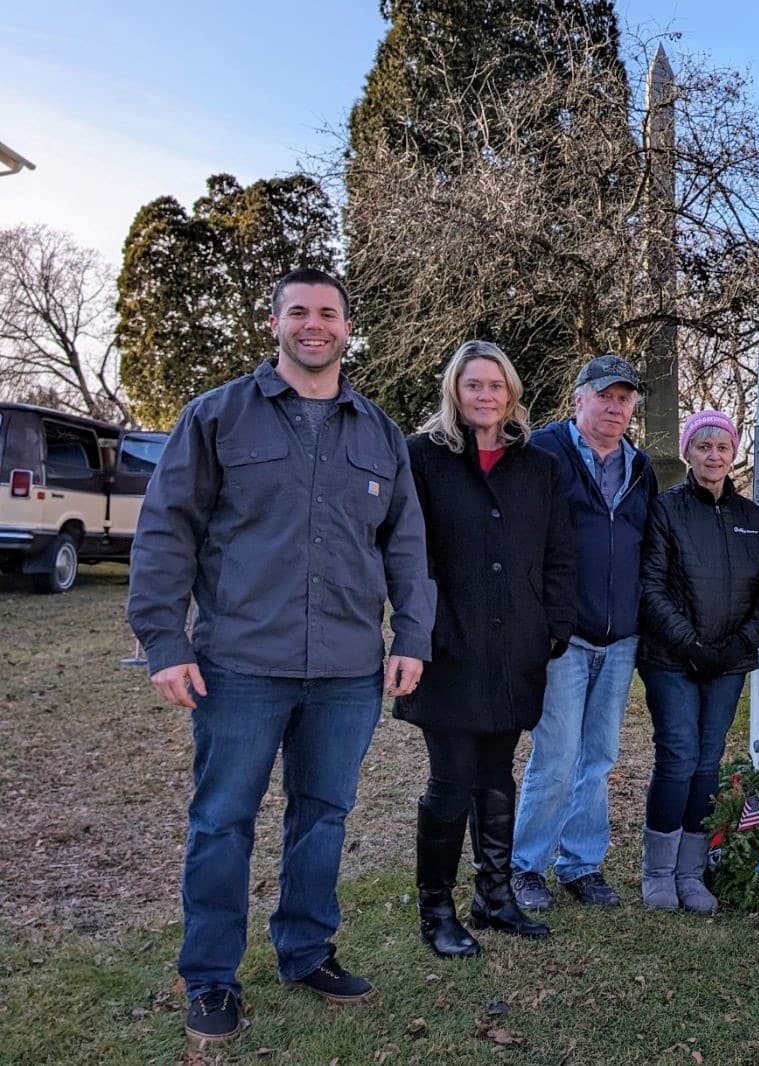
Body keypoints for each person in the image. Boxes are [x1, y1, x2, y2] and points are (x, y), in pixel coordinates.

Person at [128, 268, 434, 1049]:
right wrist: (164, 641)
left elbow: (407, 546)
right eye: (298, 311)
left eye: (328, 312)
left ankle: (305, 952)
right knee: (223, 821)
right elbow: (167, 531)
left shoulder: (378, 433)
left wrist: (412, 636)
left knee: (323, 817)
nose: (314, 324)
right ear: (274, 324)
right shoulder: (218, 417)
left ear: (346, 326)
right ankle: (209, 978)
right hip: (239, 663)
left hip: (346, 670)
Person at [395, 341, 576, 956]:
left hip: (517, 644)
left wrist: (554, 626)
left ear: (512, 393)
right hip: (448, 645)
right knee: (451, 781)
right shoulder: (423, 458)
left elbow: (558, 553)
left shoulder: (539, 466)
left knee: (498, 775)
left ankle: (494, 896)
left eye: (495, 386)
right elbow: (405, 550)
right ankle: (436, 910)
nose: (484, 396)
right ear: (455, 390)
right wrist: (420, 628)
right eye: (473, 385)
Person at [511, 355, 658, 909]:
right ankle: (525, 867)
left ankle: (581, 865)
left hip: (620, 639)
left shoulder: (641, 468)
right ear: (579, 400)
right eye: (605, 396)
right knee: (556, 754)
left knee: (598, 756)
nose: (616, 407)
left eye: (625, 398)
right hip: (564, 637)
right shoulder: (544, 452)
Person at [636, 411, 759, 912]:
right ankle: (658, 871)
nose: (714, 455)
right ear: (688, 453)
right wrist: (691, 646)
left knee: (706, 762)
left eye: (722, 446)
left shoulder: (750, 516)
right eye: (703, 446)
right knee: (677, 755)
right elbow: (651, 586)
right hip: (672, 660)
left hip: (728, 662)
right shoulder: (666, 510)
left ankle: (692, 872)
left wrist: (740, 644)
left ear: (733, 452)